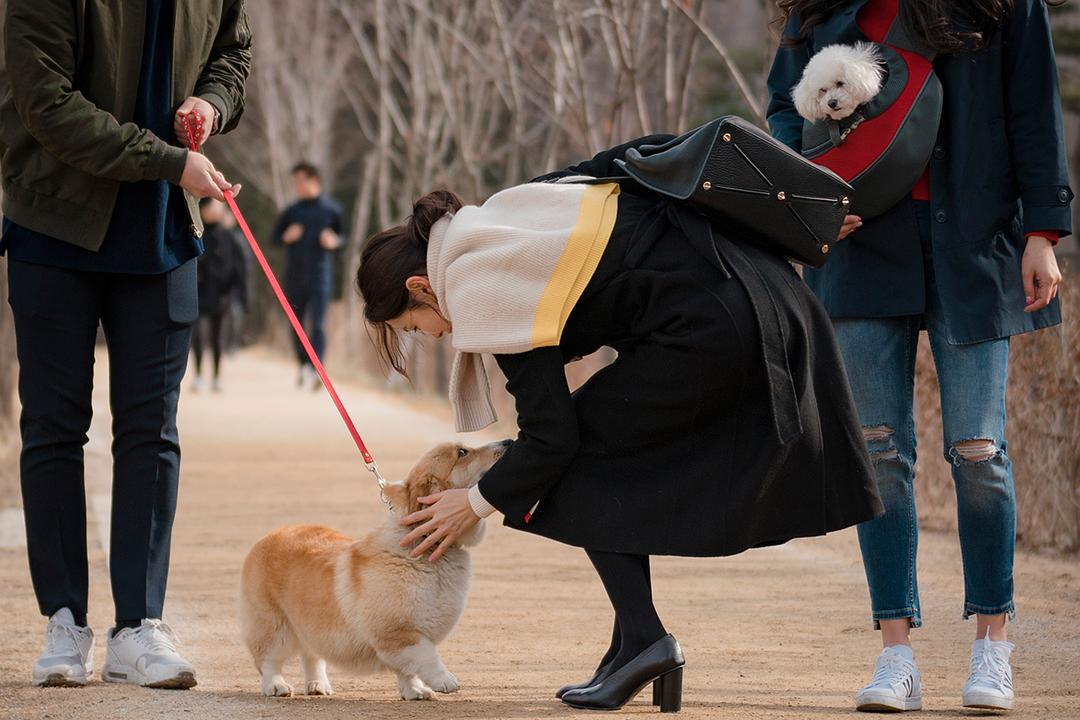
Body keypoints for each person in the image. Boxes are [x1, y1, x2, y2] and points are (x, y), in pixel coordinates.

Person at [355, 137, 883, 712]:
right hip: (760, 286)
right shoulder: (510, 213)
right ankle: (630, 643)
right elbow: (638, 153)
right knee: (589, 455)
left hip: (717, 325)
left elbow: (550, 439)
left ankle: (645, 641)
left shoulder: (481, 287)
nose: (430, 335)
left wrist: (476, 501)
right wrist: (795, 214)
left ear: (421, 287)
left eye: (412, 325)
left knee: (570, 465)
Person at [766, 0, 1071, 712]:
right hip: (862, 245)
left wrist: (1045, 232)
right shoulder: (819, 6)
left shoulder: (1001, 3)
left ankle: (993, 646)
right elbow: (785, 110)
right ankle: (895, 656)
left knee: (979, 451)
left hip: (977, 239)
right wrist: (805, 202)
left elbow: (1034, 103)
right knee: (878, 453)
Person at [0, 0, 251, 689]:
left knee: (152, 432)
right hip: (55, 225)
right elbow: (46, 103)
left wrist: (210, 105)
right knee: (53, 427)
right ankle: (63, 620)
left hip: (165, 234)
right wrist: (169, 161)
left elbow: (233, 53)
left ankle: (139, 626)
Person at [272, 162, 343, 390]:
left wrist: (335, 241)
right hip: (294, 275)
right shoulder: (292, 211)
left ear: (314, 181)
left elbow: (343, 238)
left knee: (319, 323)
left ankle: (317, 369)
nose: (297, 186)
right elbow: (273, 239)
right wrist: (287, 237)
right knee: (297, 324)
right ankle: (303, 365)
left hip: (321, 275)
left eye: (300, 181)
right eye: (295, 182)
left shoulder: (332, 210)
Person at [192, 198, 248, 392]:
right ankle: (198, 376)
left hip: (221, 295)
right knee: (197, 336)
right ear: (204, 209)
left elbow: (239, 269)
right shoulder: (195, 233)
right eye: (216, 206)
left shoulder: (230, 237)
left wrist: (239, 295)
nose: (220, 210)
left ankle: (216, 377)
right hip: (198, 293)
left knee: (217, 338)